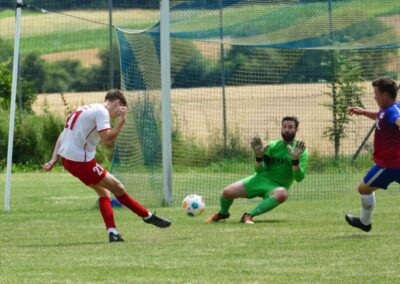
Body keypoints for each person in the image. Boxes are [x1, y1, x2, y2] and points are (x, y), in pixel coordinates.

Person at [42, 89, 171, 242]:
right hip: (81, 162)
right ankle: (147, 216)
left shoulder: (84, 108)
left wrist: (53, 158)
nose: (117, 116)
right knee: (118, 187)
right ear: (117, 103)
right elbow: (107, 141)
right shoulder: (102, 112)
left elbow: (63, 135)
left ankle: (113, 233)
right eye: (120, 111)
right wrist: (122, 122)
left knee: (104, 193)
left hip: (68, 161)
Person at [207, 116, 308, 224]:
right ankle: (223, 213)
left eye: (290, 127)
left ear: (296, 130)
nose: (286, 130)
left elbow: (299, 178)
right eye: (284, 127)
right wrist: (259, 158)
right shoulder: (272, 146)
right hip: (259, 180)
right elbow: (259, 170)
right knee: (227, 192)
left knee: (283, 193)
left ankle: (248, 216)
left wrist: (295, 160)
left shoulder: (301, 152)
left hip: (276, 187)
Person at [345, 77, 400, 232]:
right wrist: (363, 112)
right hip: (393, 163)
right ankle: (364, 222)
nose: (374, 96)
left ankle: (365, 222)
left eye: (376, 93)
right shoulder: (390, 108)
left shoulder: (392, 111)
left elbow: (396, 119)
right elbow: (381, 116)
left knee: (364, 189)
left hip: (389, 165)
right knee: (364, 188)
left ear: (384, 95)